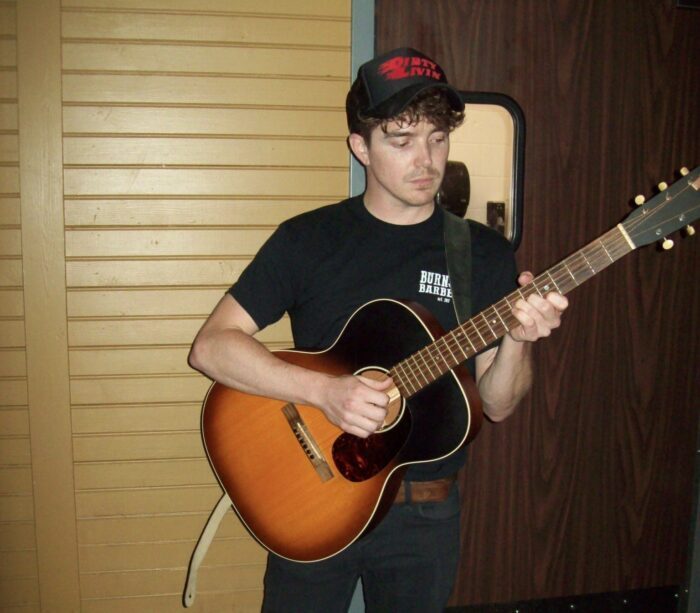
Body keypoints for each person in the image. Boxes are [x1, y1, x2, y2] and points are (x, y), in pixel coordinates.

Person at [188, 47, 568, 613]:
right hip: (309, 497)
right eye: (402, 139)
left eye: (438, 138)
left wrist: (518, 338)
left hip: (425, 514)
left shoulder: (481, 254)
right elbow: (211, 347)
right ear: (360, 147)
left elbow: (499, 403)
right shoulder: (307, 240)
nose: (427, 160)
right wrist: (324, 392)